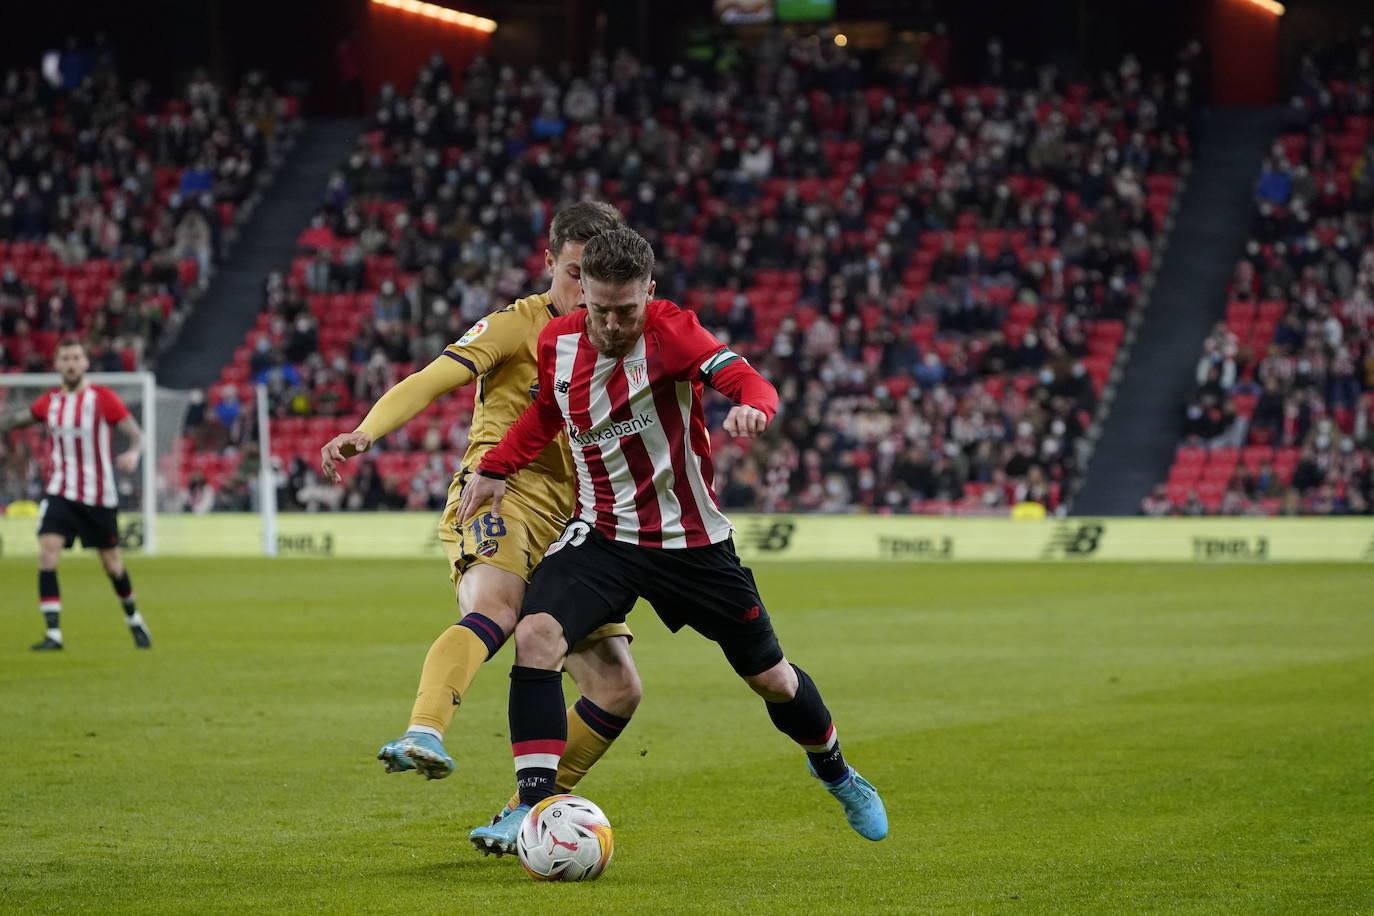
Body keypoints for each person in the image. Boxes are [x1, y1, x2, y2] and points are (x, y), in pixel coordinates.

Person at [457, 228, 887, 844]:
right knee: (537, 632)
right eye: (599, 309)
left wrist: (753, 409)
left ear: (649, 293)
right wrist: (497, 466)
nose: (610, 324)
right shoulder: (557, 342)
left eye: (625, 310)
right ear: (582, 294)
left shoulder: (673, 332)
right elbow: (547, 416)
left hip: (692, 544)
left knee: (773, 680)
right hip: (603, 536)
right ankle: (533, 805)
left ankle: (839, 773)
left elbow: (747, 380)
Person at [318, 202, 642, 855]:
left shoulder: (621, 338)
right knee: (498, 607)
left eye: (598, 275)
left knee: (617, 687)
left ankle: (526, 810)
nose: (586, 288)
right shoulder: (516, 325)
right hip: (501, 492)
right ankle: (425, 730)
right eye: (575, 272)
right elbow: (432, 378)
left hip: (581, 521)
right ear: (550, 263)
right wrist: (366, 431)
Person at [0, 339, 151, 650]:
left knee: (112, 565)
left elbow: (136, 436)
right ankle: (53, 634)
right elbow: (15, 420)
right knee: (47, 551)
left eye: (76, 357)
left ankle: (134, 618)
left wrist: (134, 453)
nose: (70, 363)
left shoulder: (103, 399)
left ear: (85, 363)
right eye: (65, 358)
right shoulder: (49, 402)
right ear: (56, 365)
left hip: (98, 496)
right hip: (61, 492)